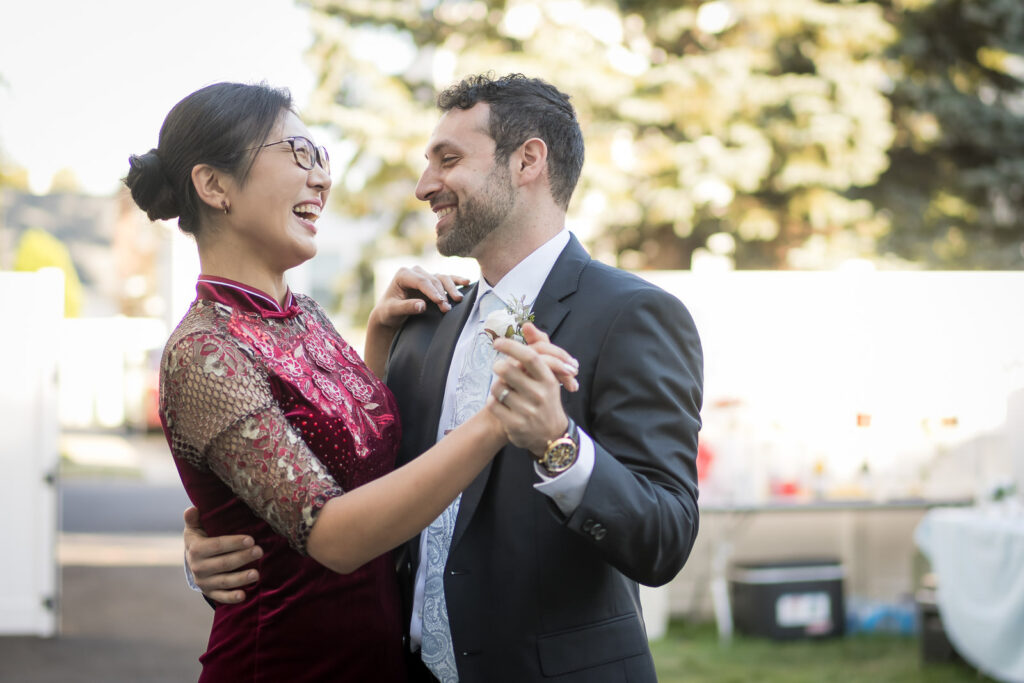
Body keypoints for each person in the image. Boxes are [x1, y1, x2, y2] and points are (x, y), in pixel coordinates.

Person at [185, 73, 704, 682]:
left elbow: (665, 539)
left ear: (527, 161)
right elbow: (342, 486)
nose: (424, 186)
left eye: (448, 160)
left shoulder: (633, 315)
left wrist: (559, 446)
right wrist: (216, 531)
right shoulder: (422, 326)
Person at [126, 81, 577, 682]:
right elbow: (332, 536)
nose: (321, 179)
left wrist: (380, 344)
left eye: (322, 157)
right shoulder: (205, 351)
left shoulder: (303, 315)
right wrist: (497, 420)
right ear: (214, 186)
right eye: (298, 154)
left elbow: (346, 455)